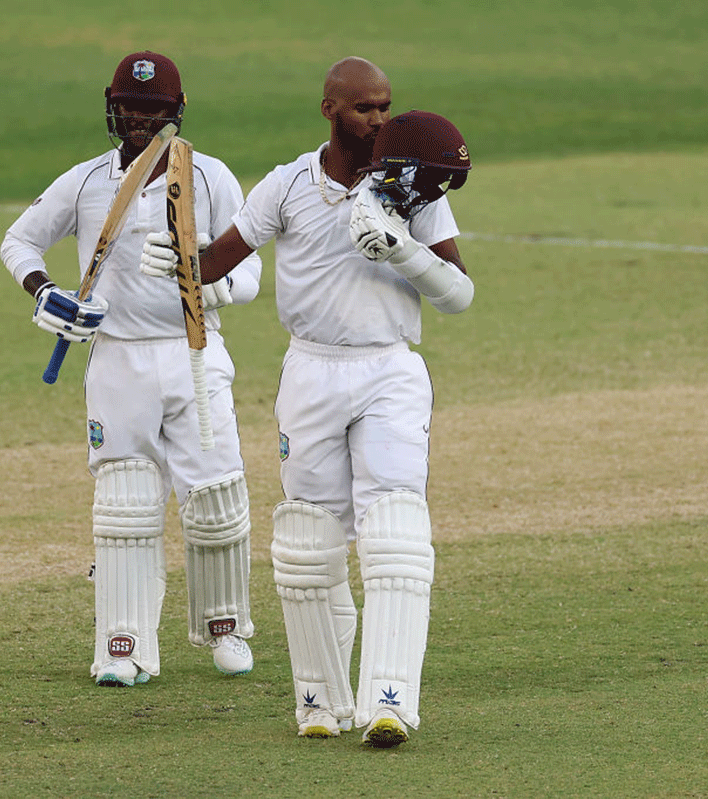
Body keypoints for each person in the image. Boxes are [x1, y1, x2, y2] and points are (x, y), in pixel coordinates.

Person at [140, 57, 473, 746]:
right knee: (308, 543)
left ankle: (391, 701)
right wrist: (173, 260)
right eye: (364, 109)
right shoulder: (290, 184)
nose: (379, 120)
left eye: (385, 106)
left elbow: (459, 295)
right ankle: (320, 700)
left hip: (389, 371)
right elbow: (217, 263)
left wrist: (403, 252)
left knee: (395, 531)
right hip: (312, 372)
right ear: (330, 109)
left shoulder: (413, 186)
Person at [0, 50, 262, 688]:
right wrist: (45, 291)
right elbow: (18, 240)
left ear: (175, 113)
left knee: (216, 500)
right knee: (125, 505)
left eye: (153, 110)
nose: (140, 121)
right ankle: (124, 644)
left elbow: (250, 273)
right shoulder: (88, 181)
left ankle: (224, 628)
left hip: (193, 354)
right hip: (116, 358)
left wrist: (206, 282)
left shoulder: (209, 177)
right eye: (130, 108)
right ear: (112, 108)